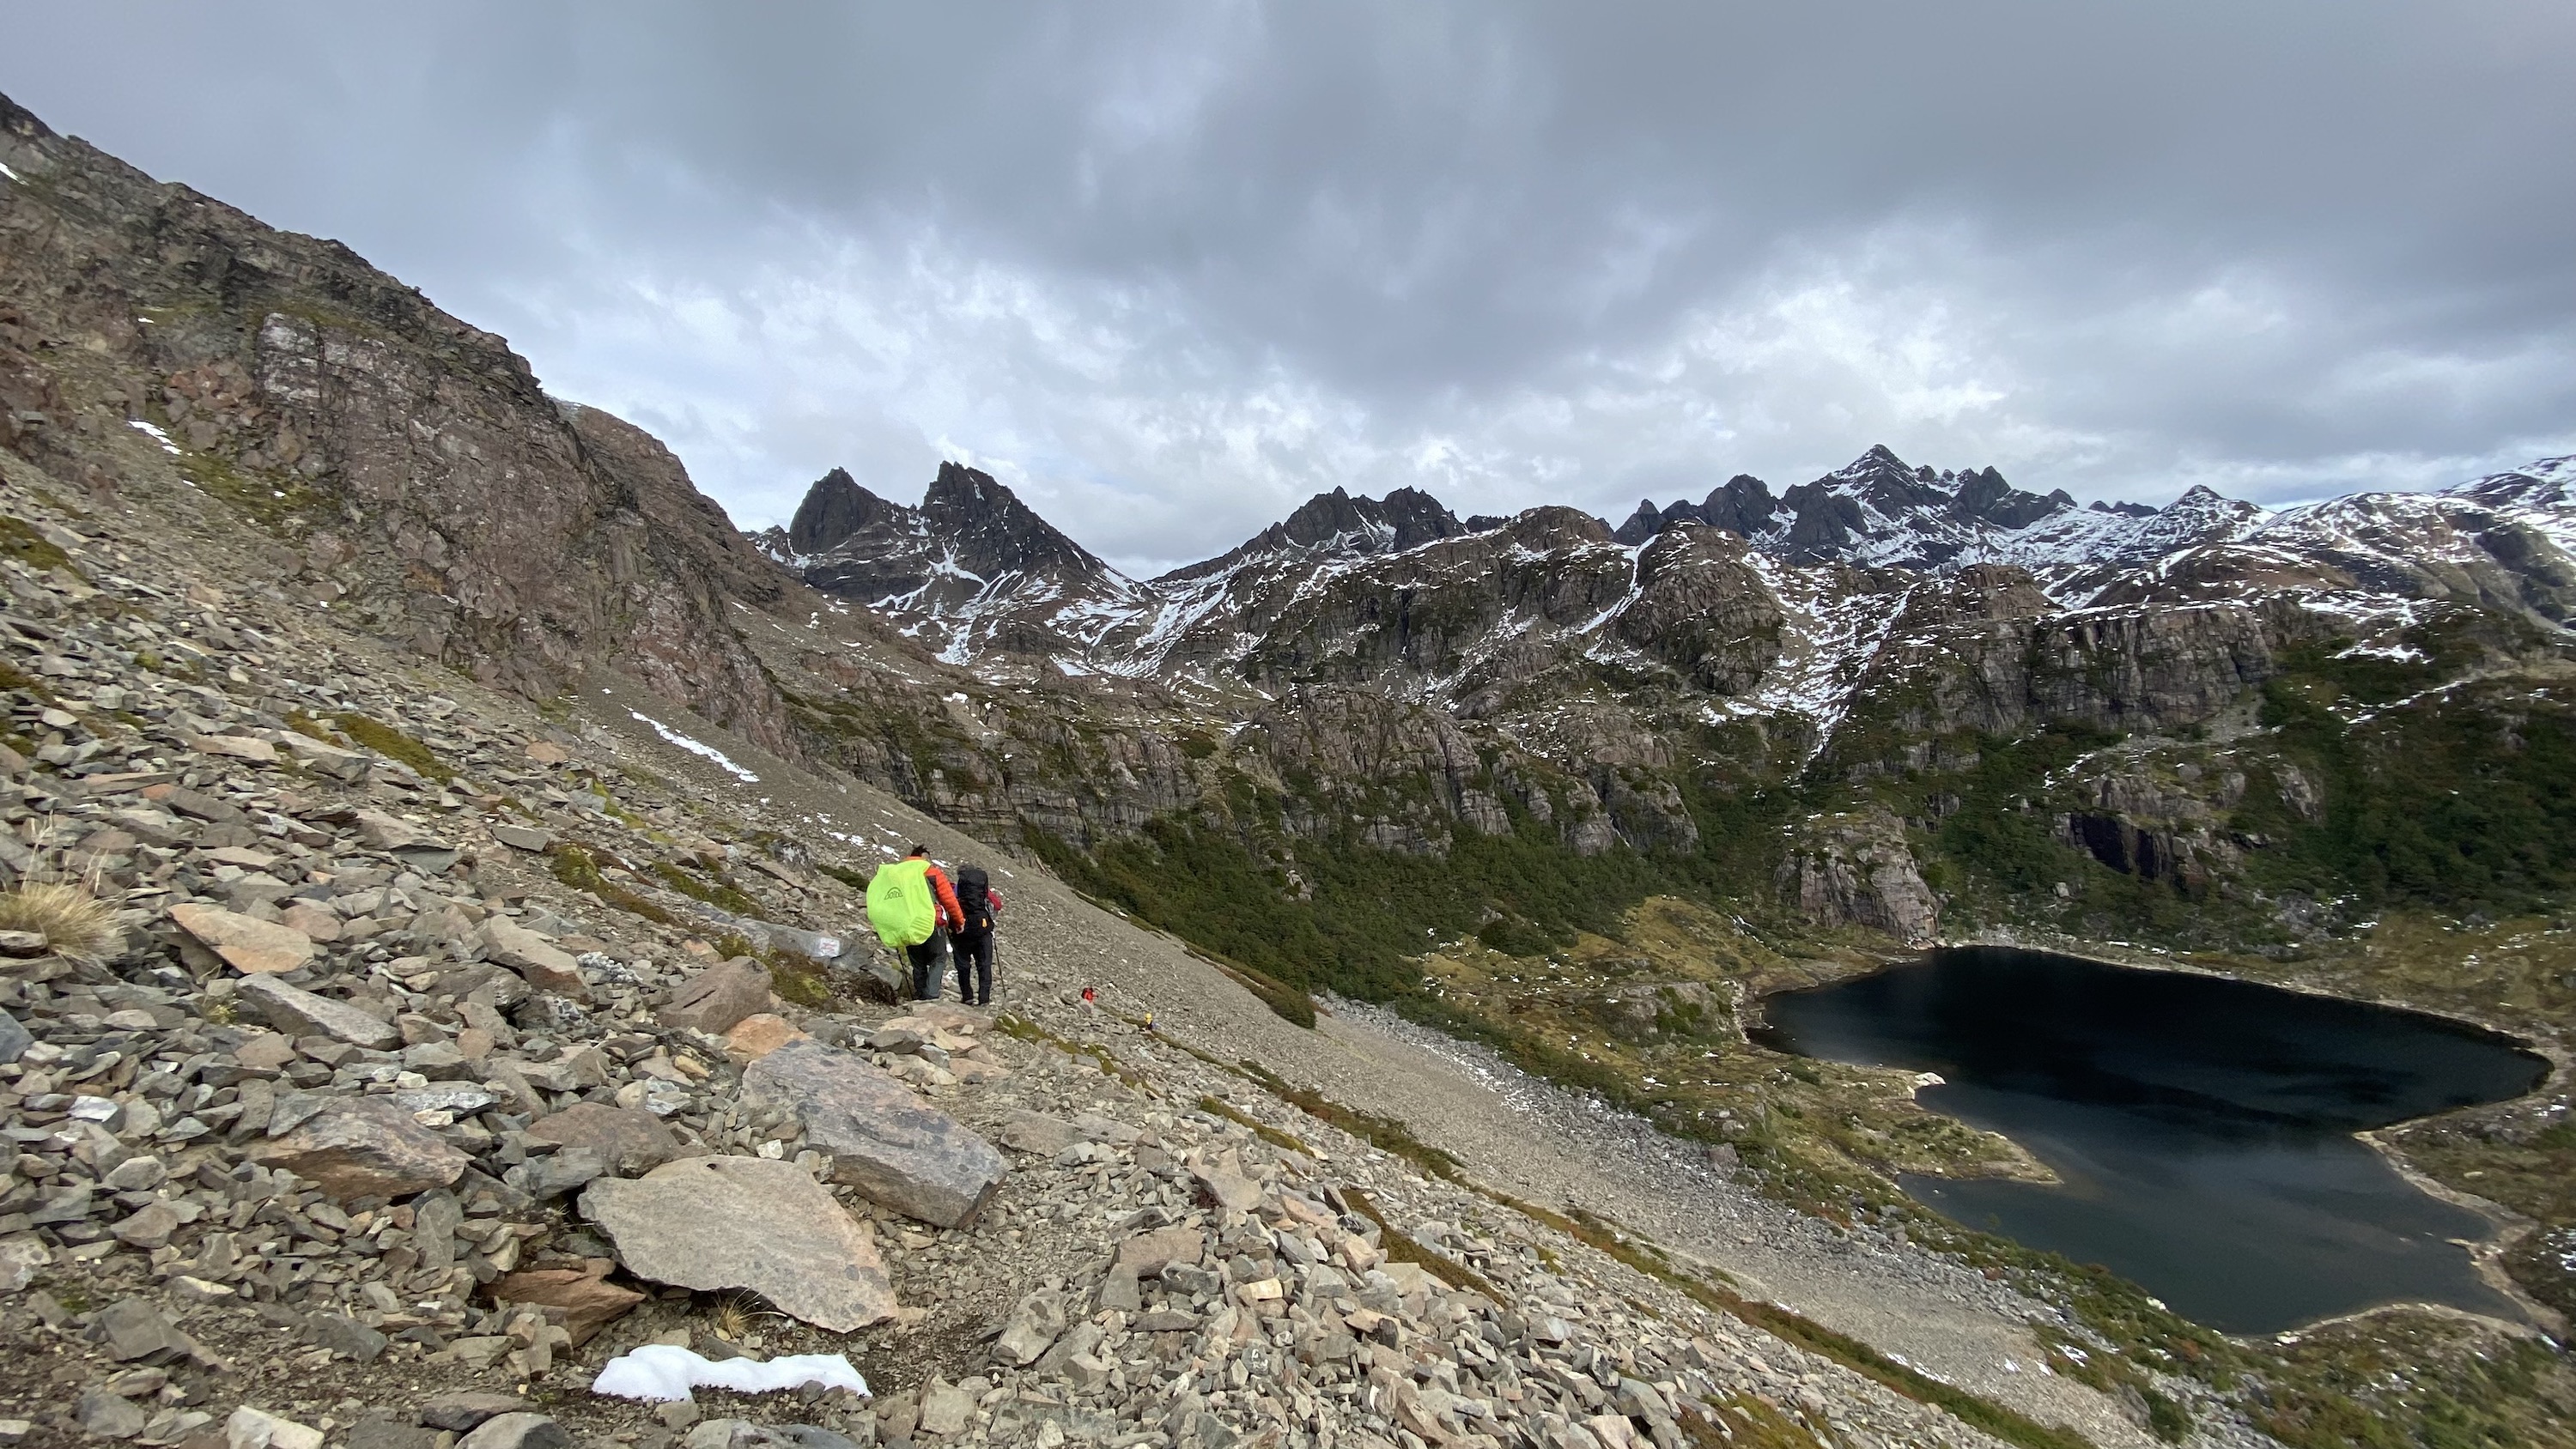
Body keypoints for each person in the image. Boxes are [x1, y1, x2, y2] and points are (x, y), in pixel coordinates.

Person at [894, 846, 965, 1001]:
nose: (929, 862)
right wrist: (959, 921)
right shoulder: (932, 872)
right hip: (931, 922)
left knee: (918, 963)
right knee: (938, 958)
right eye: (927, 859)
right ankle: (931, 995)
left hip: (907, 923)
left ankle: (919, 995)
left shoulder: (897, 874)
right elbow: (949, 900)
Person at [950, 862, 1003, 1007]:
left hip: (962, 931)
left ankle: (967, 996)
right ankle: (984, 998)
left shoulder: (956, 889)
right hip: (983, 930)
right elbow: (997, 904)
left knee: (963, 964)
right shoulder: (982, 890)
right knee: (984, 965)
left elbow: (950, 904)